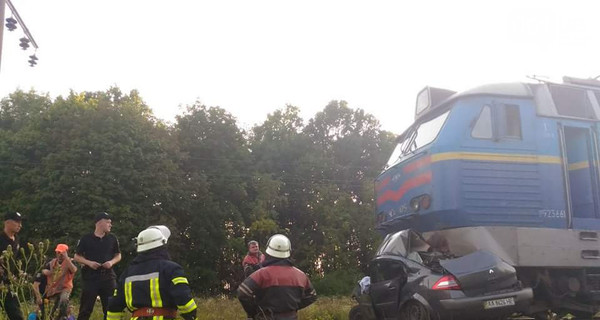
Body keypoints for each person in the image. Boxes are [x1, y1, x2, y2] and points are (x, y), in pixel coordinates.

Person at [107, 225, 198, 320]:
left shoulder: (127, 273)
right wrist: (191, 316)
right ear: (162, 245)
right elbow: (184, 300)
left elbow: (114, 306)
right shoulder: (172, 269)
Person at [237, 234, 317, 320]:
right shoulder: (301, 275)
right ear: (288, 251)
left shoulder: (261, 273)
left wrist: (254, 312)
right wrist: (293, 307)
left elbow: (242, 293)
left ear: (268, 251)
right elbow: (312, 296)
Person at [74, 212, 121, 320]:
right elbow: (77, 256)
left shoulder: (112, 238)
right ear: (100, 223)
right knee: (86, 308)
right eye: (108, 222)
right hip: (90, 278)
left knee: (110, 308)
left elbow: (118, 255)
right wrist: (89, 263)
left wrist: (111, 262)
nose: (110, 225)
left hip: (108, 277)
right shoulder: (86, 239)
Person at [33, 244, 77, 320]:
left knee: (63, 299)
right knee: (52, 310)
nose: (60, 255)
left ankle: (64, 316)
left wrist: (66, 258)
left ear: (66, 253)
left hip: (65, 288)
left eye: (62, 253)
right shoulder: (51, 262)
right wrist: (46, 271)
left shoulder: (70, 262)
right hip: (53, 289)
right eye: (58, 252)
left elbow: (74, 270)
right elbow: (42, 270)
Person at [0, 211, 24, 320]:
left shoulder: (17, 239)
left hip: (9, 284)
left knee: (16, 314)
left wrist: (19, 272)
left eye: (20, 222)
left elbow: (17, 259)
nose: (20, 225)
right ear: (7, 222)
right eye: (17, 222)